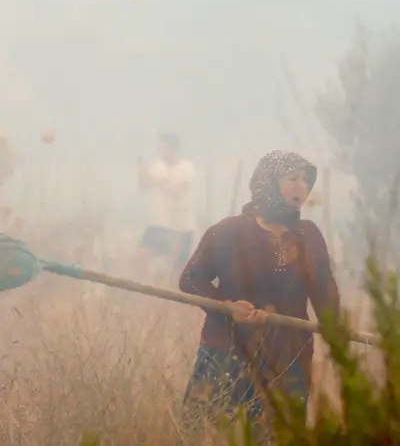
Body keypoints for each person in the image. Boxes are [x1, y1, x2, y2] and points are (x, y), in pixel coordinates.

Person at [179, 150, 341, 431]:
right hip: (226, 354)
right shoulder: (229, 231)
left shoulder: (308, 235)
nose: (301, 186)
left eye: (306, 180)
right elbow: (192, 279)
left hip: (289, 358)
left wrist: (335, 329)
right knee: (205, 432)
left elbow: (325, 291)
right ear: (268, 182)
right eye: (292, 178)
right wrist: (225, 306)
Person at [136, 133, 197, 282]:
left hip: (180, 228)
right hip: (159, 224)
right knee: (140, 258)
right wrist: (141, 175)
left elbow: (176, 193)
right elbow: (144, 187)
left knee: (177, 276)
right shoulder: (157, 166)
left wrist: (154, 180)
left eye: (162, 147)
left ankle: (169, 300)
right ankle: (145, 293)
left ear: (172, 148)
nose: (159, 151)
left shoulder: (186, 168)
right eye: (158, 148)